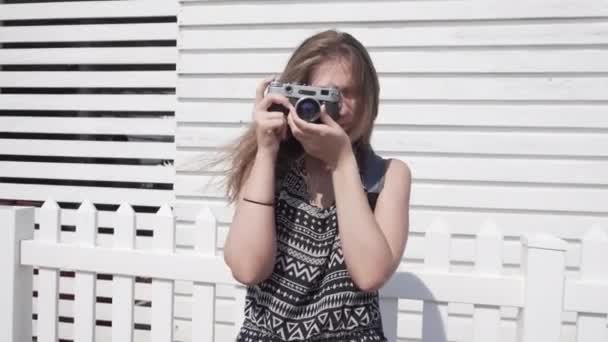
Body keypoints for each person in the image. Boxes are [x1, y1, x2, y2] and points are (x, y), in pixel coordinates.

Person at [222, 29, 411, 342]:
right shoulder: (268, 170)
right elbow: (247, 268)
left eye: (349, 93)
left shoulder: (387, 176)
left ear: (369, 99)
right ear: (295, 96)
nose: (338, 107)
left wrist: (342, 161)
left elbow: (370, 274)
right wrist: (267, 151)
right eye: (324, 94)